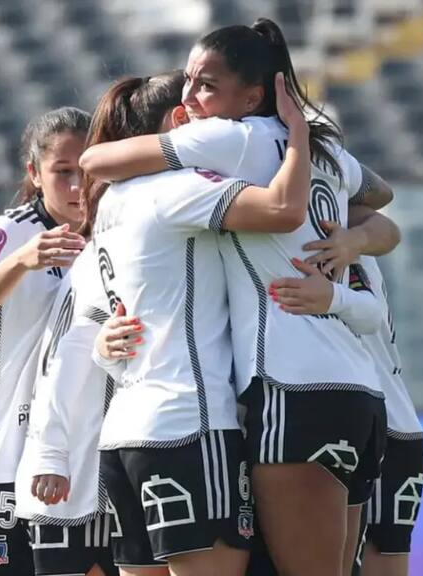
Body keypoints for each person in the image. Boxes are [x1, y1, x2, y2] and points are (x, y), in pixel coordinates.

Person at [82, 19, 398, 576]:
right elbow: (381, 197)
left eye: (205, 84)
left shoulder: (225, 139)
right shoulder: (326, 151)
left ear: (251, 95)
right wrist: (347, 235)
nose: (190, 99)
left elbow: (95, 162)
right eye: (187, 85)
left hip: (288, 388)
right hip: (361, 391)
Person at [83, 67, 321, 576]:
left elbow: (94, 316)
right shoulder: (178, 188)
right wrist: (298, 136)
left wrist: (103, 346)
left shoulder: (107, 205)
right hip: (190, 424)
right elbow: (283, 208)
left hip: (123, 434)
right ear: (177, 122)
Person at [0, 107, 90, 576]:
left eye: (86, 170)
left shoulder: (113, 237)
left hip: (80, 464)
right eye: (63, 172)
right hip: (5, 462)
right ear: (35, 173)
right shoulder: (10, 231)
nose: (77, 186)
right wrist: (20, 262)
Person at [268, 214, 423, 576]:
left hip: (383, 425)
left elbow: (382, 211)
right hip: (329, 416)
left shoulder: (329, 226)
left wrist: (352, 247)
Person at [13, 235, 118, 576]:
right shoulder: (101, 257)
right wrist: (51, 451)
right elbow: (64, 358)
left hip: (117, 473)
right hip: (77, 483)